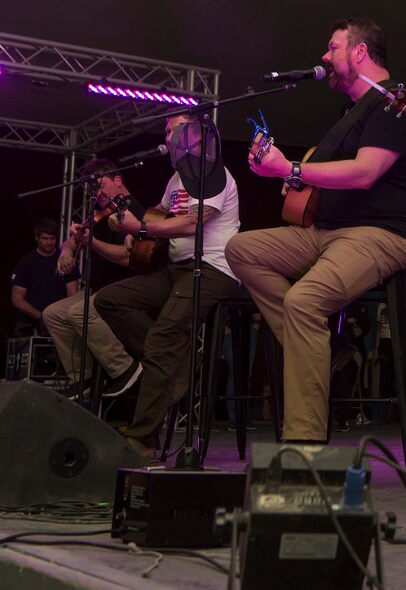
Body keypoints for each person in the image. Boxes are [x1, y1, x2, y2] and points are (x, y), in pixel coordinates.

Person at [225, 17, 406, 444]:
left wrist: (292, 168)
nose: (324, 57)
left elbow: (365, 172)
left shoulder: (396, 100)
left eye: (333, 48)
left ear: (359, 52)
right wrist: (292, 175)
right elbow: (323, 174)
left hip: (384, 233)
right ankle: (324, 347)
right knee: (242, 249)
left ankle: (304, 442)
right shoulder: (351, 114)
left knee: (303, 301)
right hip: (326, 231)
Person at [95, 113, 241, 463]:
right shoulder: (177, 178)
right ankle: (178, 363)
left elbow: (193, 224)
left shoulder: (212, 172)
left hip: (214, 268)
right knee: (110, 300)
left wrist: (143, 228)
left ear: (193, 134)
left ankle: (142, 438)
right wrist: (130, 224)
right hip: (177, 270)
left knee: (162, 339)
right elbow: (160, 214)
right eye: (166, 129)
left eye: (175, 128)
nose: (168, 134)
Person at [44, 159, 148, 399]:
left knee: (78, 312)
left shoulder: (130, 209)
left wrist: (90, 242)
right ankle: (83, 377)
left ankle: (125, 368)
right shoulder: (102, 212)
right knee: (53, 313)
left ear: (118, 180)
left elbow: (126, 258)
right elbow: (72, 239)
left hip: (122, 289)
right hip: (96, 288)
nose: (96, 193)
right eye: (92, 190)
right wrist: (67, 251)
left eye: (100, 186)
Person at [11, 218, 79, 336]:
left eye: (52, 238)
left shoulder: (64, 261)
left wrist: (58, 317)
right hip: (30, 323)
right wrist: (41, 316)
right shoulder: (27, 262)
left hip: (59, 320)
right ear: (37, 238)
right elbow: (17, 299)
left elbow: (72, 295)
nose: (49, 242)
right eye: (45, 239)